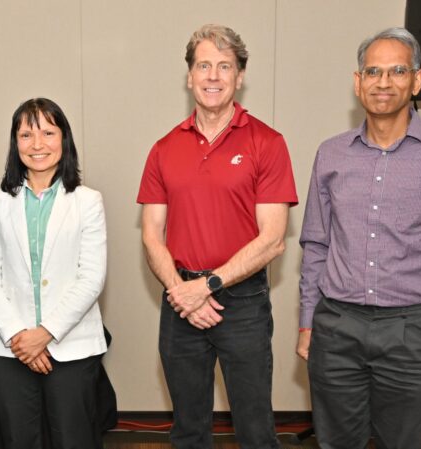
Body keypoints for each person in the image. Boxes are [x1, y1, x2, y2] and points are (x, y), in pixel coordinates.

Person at [297, 27, 421, 449]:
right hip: (336, 327)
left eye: (397, 71)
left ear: (417, 80)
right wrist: (307, 323)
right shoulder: (331, 152)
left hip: (413, 330)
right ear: (357, 81)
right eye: (373, 72)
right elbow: (315, 246)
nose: (384, 83)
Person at [137, 24, 298, 449]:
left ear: (239, 76)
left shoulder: (268, 143)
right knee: (188, 431)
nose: (213, 76)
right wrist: (182, 292)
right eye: (203, 65)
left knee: (255, 430)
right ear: (189, 75)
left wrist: (207, 286)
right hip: (179, 302)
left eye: (224, 66)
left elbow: (274, 238)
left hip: (242, 303)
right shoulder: (163, 148)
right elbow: (152, 235)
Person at [0, 98, 108, 449]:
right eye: (26, 135)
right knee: (19, 439)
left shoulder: (87, 201)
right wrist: (21, 337)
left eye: (48, 133)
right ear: (14, 143)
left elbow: (91, 278)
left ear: (64, 139)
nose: (37, 145)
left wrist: (44, 334)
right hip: (11, 348)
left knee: (74, 440)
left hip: (72, 346)